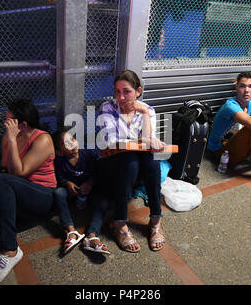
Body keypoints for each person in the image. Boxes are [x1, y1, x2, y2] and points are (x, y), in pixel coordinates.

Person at [0, 98, 57, 285]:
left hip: (43, 197)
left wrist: (12, 140)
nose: (5, 123)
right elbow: (6, 167)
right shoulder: (8, 138)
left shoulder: (43, 139)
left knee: (0, 181)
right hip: (20, 198)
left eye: (9, 120)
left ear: (22, 124)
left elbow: (18, 172)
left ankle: (10, 250)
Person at [97, 69, 166, 253]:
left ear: (138, 91)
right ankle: (120, 223)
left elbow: (149, 140)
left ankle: (155, 220)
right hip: (112, 163)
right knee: (130, 159)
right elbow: (112, 142)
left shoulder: (148, 110)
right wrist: (145, 141)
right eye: (117, 91)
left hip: (137, 165)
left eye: (126, 91)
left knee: (151, 160)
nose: (121, 97)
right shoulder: (107, 108)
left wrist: (143, 114)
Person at [52, 128, 110, 255]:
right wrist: (67, 183)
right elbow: (59, 176)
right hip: (72, 191)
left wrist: (90, 183)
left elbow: (97, 171)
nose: (72, 145)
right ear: (60, 152)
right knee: (58, 193)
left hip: (89, 190)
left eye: (72, 140)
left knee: (103, 203)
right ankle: (71, 232)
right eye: (66, 144)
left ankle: (92, 235)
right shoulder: (60, 161)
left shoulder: (88, 153)